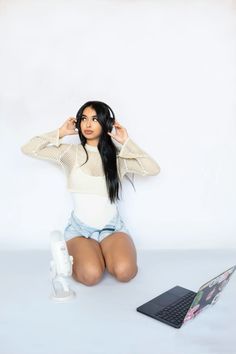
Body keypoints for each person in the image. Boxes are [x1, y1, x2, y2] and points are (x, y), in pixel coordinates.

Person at [21, 100, 160, 286]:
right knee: (91, 276)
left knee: (125, 272)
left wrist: (126, 142)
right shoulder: (70, 153)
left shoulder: (118, 158)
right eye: (84, 119)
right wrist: (60, 133)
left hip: (112, 229)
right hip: (80, 230)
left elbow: (153, 169)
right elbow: (28, 148)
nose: (87, 124)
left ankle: (103, 249)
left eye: (95, 119)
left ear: (106, 124)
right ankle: (92, 252)